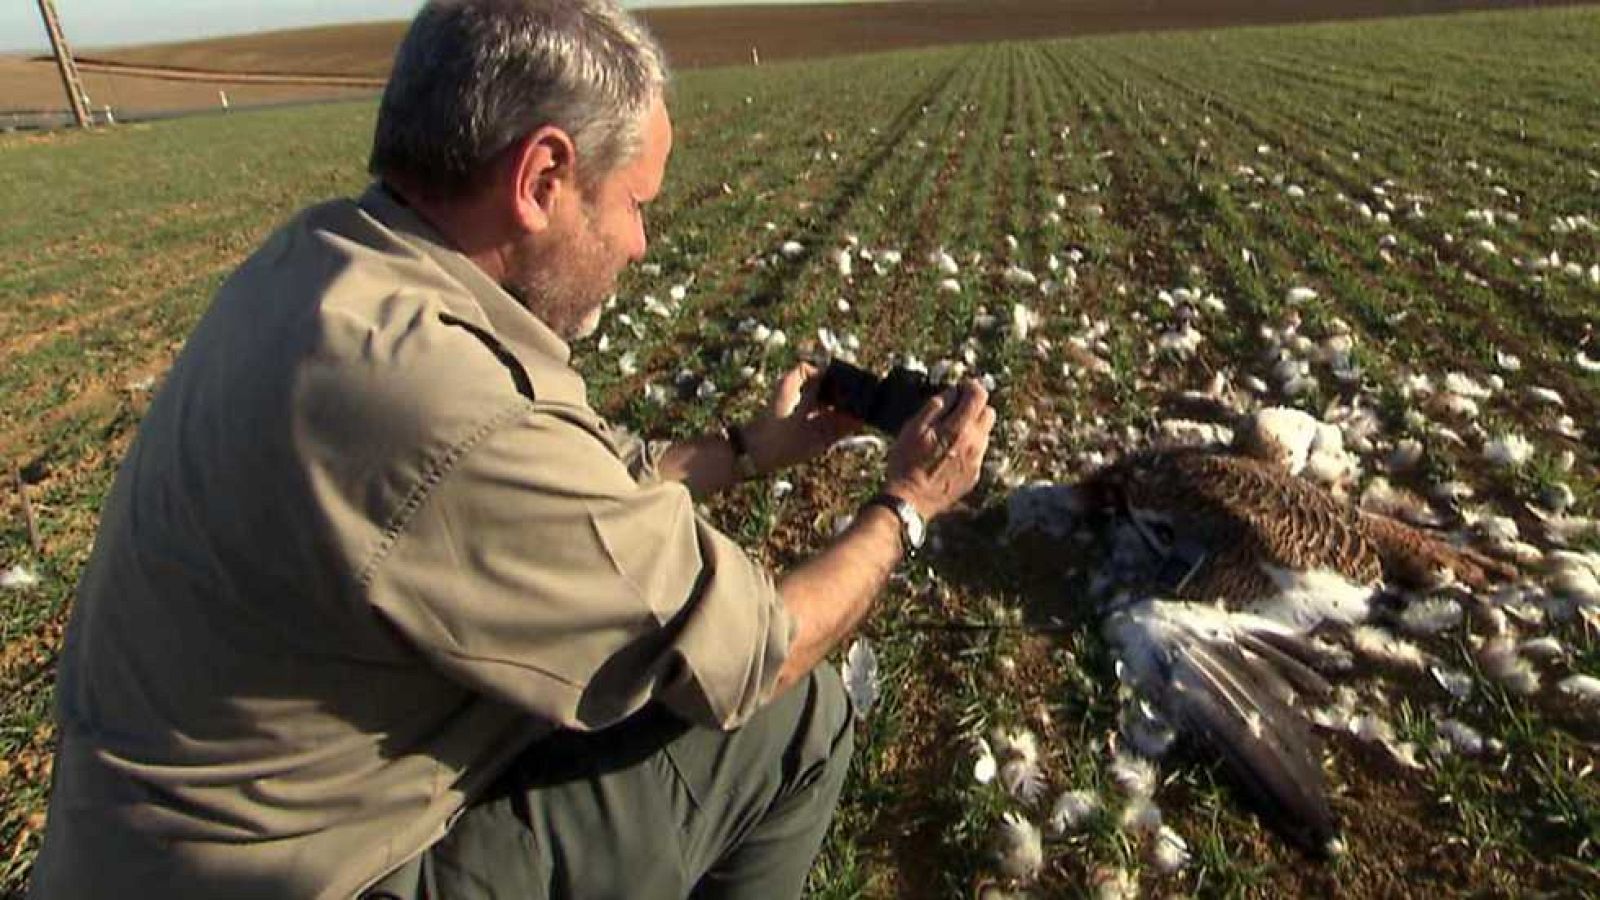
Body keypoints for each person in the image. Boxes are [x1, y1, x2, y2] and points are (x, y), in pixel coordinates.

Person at [27, 1, 995, 898]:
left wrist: (747, 448)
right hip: (306, 876)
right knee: (787, 724)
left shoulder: (323, 264)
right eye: (633, 200)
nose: (642, 243)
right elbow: (755, 655)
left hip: (155, 852)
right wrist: (905, 504)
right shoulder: (446, 411)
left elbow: (566, 493)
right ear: (540, 179)